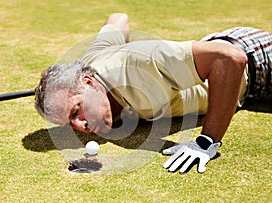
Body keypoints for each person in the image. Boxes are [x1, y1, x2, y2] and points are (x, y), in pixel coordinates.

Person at [34, 13, 271, 173]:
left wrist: (206, 141)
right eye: (70, 122)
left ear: (88, 82)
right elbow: (118, 18)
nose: (80, 127)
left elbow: (229, 59)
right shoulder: (91, 63)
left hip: (256, 59)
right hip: (231, 61)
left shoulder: (138, 65)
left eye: (77, 110)